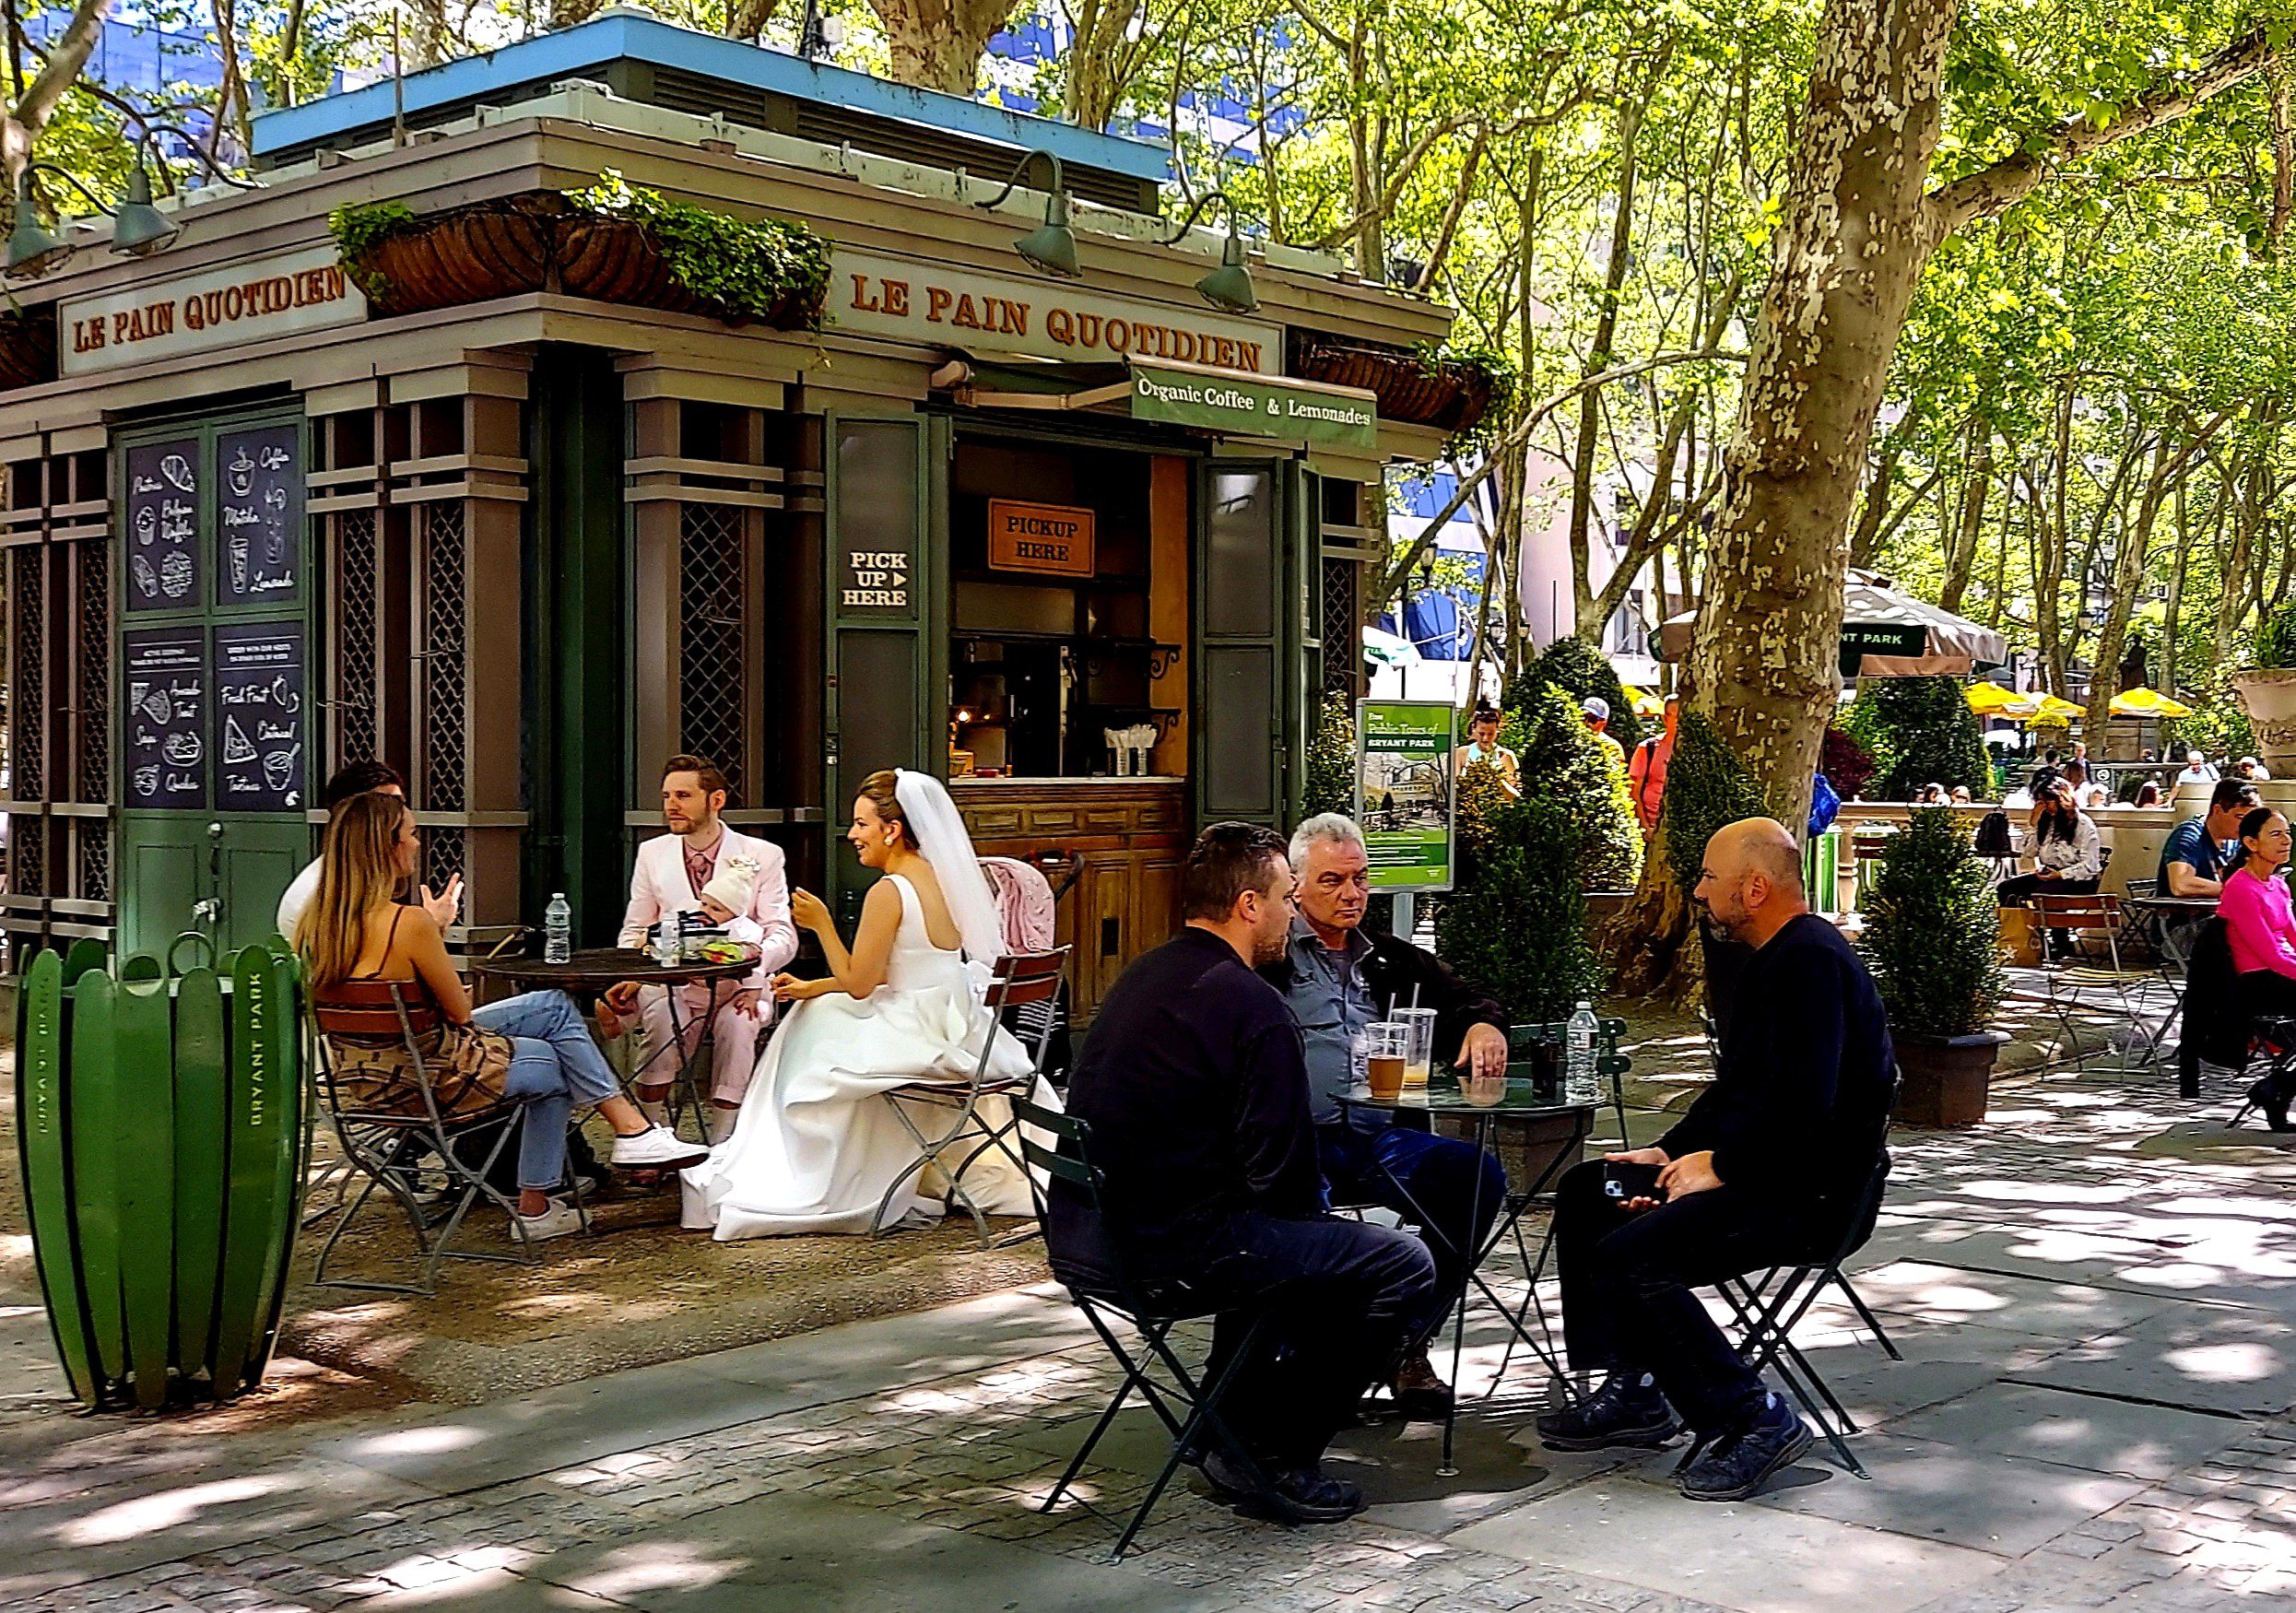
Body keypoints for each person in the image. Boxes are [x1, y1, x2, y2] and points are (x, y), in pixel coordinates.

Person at [1055, 823, 1440, 1525]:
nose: (1293, 913)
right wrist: (1327, 1228)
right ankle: (1275, 1452)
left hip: (1091, 1236)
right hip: (1167, 1250)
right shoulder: (1250, 1003)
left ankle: (1223, 1430)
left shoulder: (1148, 973)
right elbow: (1286, 1172)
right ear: (1247, 906)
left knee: (1295, 1250)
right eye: (1287, 899)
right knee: (1396, 1263)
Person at [1535, 818, 1891, 1501]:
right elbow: (1735, 1090)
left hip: (1810, 1194)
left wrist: (1720, 1169)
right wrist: (1668, 1153)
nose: (1696, 893)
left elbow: (1805, 1106)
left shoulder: (1810, 960)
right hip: (1762, 1172)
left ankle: (1752, 1419)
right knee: (1590, 1192)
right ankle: (1634, 1387)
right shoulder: (1774, 959)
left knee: (1630, 1258)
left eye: (1706, 877)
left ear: (1753, 888)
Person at [298, 794, 704, 1242]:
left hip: (364, 1084)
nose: (417, 843)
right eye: (411, 834)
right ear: (386, 846)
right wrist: (436, 930)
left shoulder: (314, 925)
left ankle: (619, 1142)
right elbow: (459, 1011)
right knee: (552, 1057)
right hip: (431, 1079)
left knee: (551, 1010)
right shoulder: (406, 923)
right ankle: (566, 1184)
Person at [680, 770, 1052, 1239]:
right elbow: (901, 972)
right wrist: (814, 987)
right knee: (817, 1008)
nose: (852, 835)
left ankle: (814, 1169)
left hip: (917, 1032)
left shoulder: (889, 890)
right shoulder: (943, 877)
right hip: (959, 1026)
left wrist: (821, 925)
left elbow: (861, 983)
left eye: (861, 823)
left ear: (891, 830)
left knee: (811, 1031)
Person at [1258, 814, 1508, 1418]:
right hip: (1298, 1144)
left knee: (1476, 1178)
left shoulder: (1391, 961)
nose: (1351, 895)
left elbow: (1469, 998)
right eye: (1332, 881)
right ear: (1294, 885)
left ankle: (1402, 1341)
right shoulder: (1269, 959)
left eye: (1360, 879)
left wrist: (1481, 1025)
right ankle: (1311, 1365)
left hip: (1378, 1140)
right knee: (1300, 1221)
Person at [605, 756, 799, 1134]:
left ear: (716, 800)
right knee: (662, 1015)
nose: (671, 806)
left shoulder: (763, 855)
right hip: (673, 983)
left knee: (740, 1025)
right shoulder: (652, 854)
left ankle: (725, 1142)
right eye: (665, 796)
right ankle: (648, 1135)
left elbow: (782, 934)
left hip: (739, 986)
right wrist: (635, 972)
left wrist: (753, 972)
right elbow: (634, 931)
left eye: (683, 795)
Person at [277, 761, 460, 939]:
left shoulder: (355, 881)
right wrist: (430, 927)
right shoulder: (326, 896)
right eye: (386, 804)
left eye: (400, 803)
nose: (400, 811)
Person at [2222, 808, 2296, 1129]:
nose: (2287, 841)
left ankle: (2276, 1088)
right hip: (2259, 985)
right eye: (2276, 834)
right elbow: (2271, 956)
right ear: (2251, 843)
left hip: (2284, 976)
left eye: (2287, 833)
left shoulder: (2278, 885)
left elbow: (2293, 938)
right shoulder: (2241, 888)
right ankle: (2276, 1088)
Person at [1996, 781, 2102, 954]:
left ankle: (2061, 942)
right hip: (2049, 872)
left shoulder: (2083, 824)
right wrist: (2032, 824)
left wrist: (2060, 874)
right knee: (2007, 888)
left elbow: (2089, 865)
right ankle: (2027, 936)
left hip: (2076, 878)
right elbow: (2028, 852)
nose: (2044, 806)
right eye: (2041, 802)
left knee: (2045, 893)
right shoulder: (2047, 823)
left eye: (2047, 802)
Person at [2160, 780, 2261, 900]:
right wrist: (2239, 891)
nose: (2247, 825)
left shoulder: (2236, 841)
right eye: (2240, 817)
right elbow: (2181, 884)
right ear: (2217, 810)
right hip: (2186, 915)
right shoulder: (2189, 834)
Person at [1629, 695, 1679, 833]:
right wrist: (1645, 827)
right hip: (1652, 827)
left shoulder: (1692, 751)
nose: (1678, 721)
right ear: (1665, 718)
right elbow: (1633, 791)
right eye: (1674, 716)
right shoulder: (1648, 748)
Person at [1452, 705, 1522, 796]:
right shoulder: (1462, 753)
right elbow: (1455, 785)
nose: (1485, 738)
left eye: (1490, 734)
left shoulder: (1506, 755)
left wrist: (1496, 780)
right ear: (1474, 728)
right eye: (1481, 733)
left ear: (1497, 731)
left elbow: (1515, 795)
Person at [1582, 697, 1625, 771]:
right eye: (1584, 717)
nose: (1587, 722)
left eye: (1592, 719)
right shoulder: (1571, 738)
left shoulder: (1612, 746)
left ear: (1604, 723)